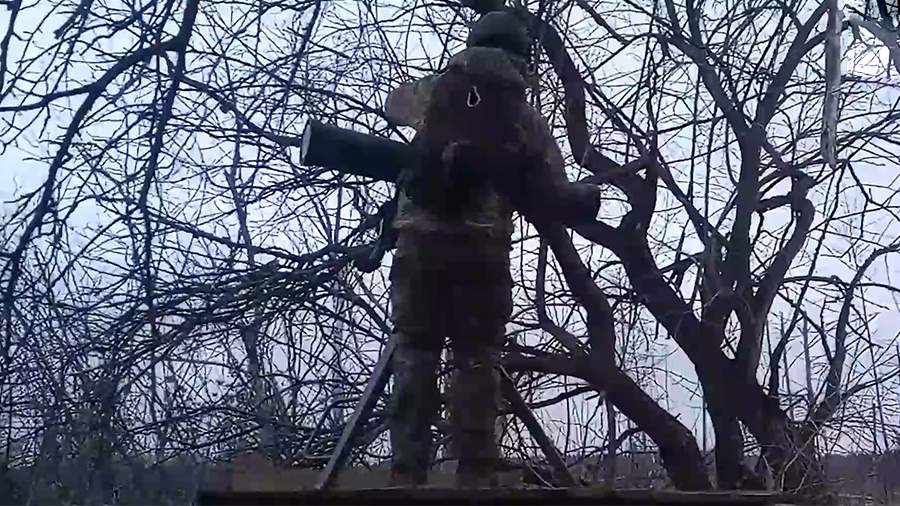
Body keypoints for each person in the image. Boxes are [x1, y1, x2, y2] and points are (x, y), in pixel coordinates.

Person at [383, 10, 592, 488]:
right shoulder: (524, 117)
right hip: (481, 249)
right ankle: (474, 469)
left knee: (414, 350)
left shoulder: (434, 91)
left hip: (418, 244)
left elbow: (394, 103)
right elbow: (554, 188)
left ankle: (405, 469)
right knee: (476, 355)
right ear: (521, 58)